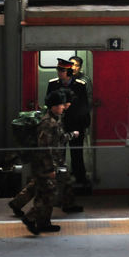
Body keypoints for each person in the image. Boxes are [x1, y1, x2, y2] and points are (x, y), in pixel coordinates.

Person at [22, 90, 79, 235]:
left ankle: (43, 223)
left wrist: (72, 135)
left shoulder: (55, 119)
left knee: (44, 192)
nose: (63, 107)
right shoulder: (48, 123)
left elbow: (58, 138)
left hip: (50, 162)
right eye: (60, 104)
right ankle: (30, 217)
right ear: (54, 106)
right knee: (49, 193)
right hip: (43, 164)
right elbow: (45, 148)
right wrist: (49, 169)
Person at [46, 57, 90, 186]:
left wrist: (85, 123)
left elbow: (84, 105)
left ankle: (80, 177)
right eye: (58, 70)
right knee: (59, 154)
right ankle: (61, 179)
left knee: (77, 153)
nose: (59, 73)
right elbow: (48, 103)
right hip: (59, 124)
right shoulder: (53, 84)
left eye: (62, 70)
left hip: (76, 123)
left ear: (69, 72)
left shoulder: (80, 86)